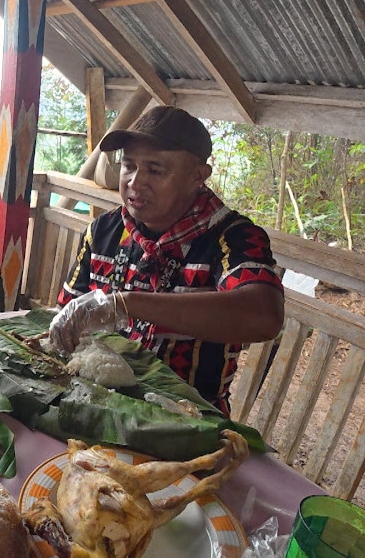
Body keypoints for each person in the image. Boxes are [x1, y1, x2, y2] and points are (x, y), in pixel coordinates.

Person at [47, 105, 285, 415]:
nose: (135, 182)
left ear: (198, 176)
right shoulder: (104, 230)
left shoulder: (233, 238)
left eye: (155, 170)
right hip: (93, 404)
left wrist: (125, 304)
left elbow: (264, 316)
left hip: (186, 419)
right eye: (129, 165)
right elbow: (67, 316)